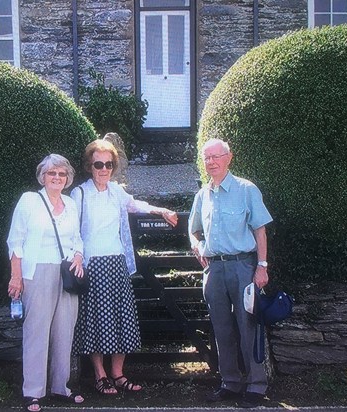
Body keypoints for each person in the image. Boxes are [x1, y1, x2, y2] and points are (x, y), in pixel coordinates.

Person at [71, 139, 178, 395]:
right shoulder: (80, 193)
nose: (104, 169)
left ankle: (118, 374)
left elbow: (135, 204)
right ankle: (100, 374)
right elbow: (70, 229)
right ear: (89, 165)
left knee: (121, 318)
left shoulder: (116, 192)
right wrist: (76, 256)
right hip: (92, 265)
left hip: (117, 262)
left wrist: (160, 209)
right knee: (96, 320)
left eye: (108, 164)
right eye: (98, 164)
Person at [188, 138, 273, 408]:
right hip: (214, 269)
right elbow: (193, 229)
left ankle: (257, 386)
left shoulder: (246, 190)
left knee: (248, 326)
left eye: (216, 157)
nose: (211, 162)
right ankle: (230, 383)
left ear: (229, 158)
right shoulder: (203, 195)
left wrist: (262, 266)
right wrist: (197, 245)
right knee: (221, 328)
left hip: (243, 266)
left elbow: (260, 229)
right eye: (207, 158)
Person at [7, 154, 85, 412]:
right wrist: (15, 276)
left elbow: (78, 239)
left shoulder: (71, 204)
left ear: (68, 178)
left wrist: (78, 256)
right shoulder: (30, 201)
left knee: (65, 331)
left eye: (62, 174)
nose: (57, 178)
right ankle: (33, 393)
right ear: (43, 176)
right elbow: (15, 241)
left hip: (66, 274)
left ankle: (60, 388)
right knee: (36, 332)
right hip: (37, 271)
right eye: (52, 173)